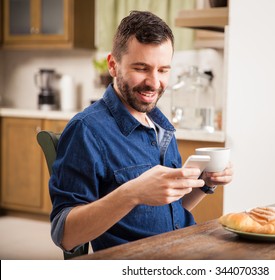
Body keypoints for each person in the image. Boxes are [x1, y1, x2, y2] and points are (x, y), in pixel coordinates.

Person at [49, 10, 233, 253]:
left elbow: (170, 212)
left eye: (163, 70)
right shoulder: (87, 129)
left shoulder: (161, 125)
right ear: (113, 65)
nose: (154, 82)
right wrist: (132, 193)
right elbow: (65, 235)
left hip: (185, 249)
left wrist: (203, 184)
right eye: (141, 68)